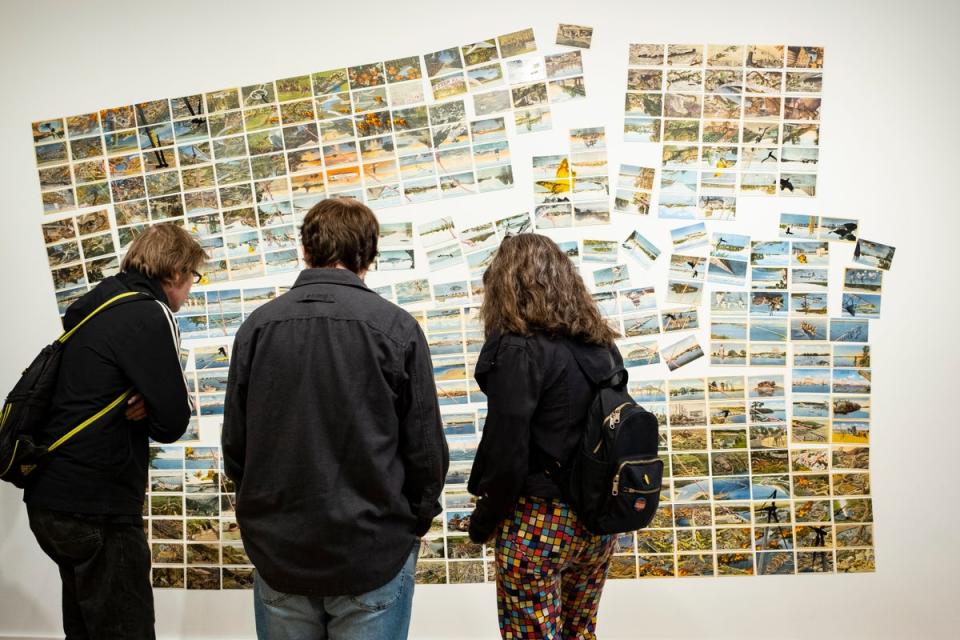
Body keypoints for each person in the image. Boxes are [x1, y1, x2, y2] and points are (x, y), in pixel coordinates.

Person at [222, 198, 448, 640]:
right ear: (369, 256)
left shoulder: (257, 328)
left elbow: (236, 448)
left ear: (306, 251)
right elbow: (425, 451)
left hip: (281, 551)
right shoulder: (396, 328)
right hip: (372, 550)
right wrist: (413, 523)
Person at [24, 223, 205, 639]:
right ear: (176, 273)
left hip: (50, 497)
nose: (191, 288)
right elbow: (172, 422)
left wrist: (147, 396)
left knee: (86, 627)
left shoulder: (92, 304)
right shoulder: (148, 312)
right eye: (194, 277)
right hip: (97, 506)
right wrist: (154, 400)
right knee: (126, 629)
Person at [467, 233, 624, 639]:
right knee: (581, 632)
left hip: (538, 522)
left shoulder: (518, 349)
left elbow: (507, 452)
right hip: (597, 521)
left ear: (504, 285)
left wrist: (482, 523)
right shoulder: (600, 346)